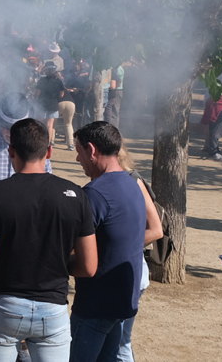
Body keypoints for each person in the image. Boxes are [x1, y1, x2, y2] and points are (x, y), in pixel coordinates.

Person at [0, 118, 97, 362]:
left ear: (11, 151)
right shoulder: (76, 195)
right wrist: (55, 259)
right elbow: (88, 266)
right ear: (49, 151)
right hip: (53, 311)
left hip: (3, 308)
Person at [69, 122, 147, 362]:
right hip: (121, 300)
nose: (77, 158)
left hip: (96, 304)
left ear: (92, 150)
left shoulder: (95, 193)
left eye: (79, 151)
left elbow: (72, 247)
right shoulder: (132, 184)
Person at [112, 146, 165, 362]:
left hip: (130, 273)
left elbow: (156, 230)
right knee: (120, 340)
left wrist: (116, 245)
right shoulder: (132, 180)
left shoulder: (131, 181)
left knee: (120, 342)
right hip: (133, 273)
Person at [36, 62, 65, 145]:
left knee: (41, 123)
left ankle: (39, 141)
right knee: (50, 125)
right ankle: (48, 143)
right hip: (54, 105)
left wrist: (34, 97)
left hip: (43, 104)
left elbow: (37, 93)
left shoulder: (42, 80)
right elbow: (62, 94)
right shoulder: (58, 81)